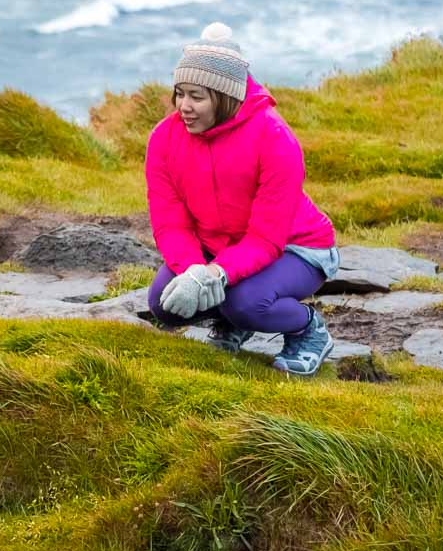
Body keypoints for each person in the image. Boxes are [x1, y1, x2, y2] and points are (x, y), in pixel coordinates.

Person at [144, 22, 340, 376]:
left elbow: (266, 238)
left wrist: (215, 275)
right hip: (215, 246)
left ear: (225, 97)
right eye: (180, 93)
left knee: (245, 302)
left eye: (197, 97)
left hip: (295, 247)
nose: (183, 107)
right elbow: (170, 222)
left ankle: (308, 329)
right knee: (165, 304)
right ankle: (233, 323)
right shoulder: (164, 138)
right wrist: (193, 271)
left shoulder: (275, 139)